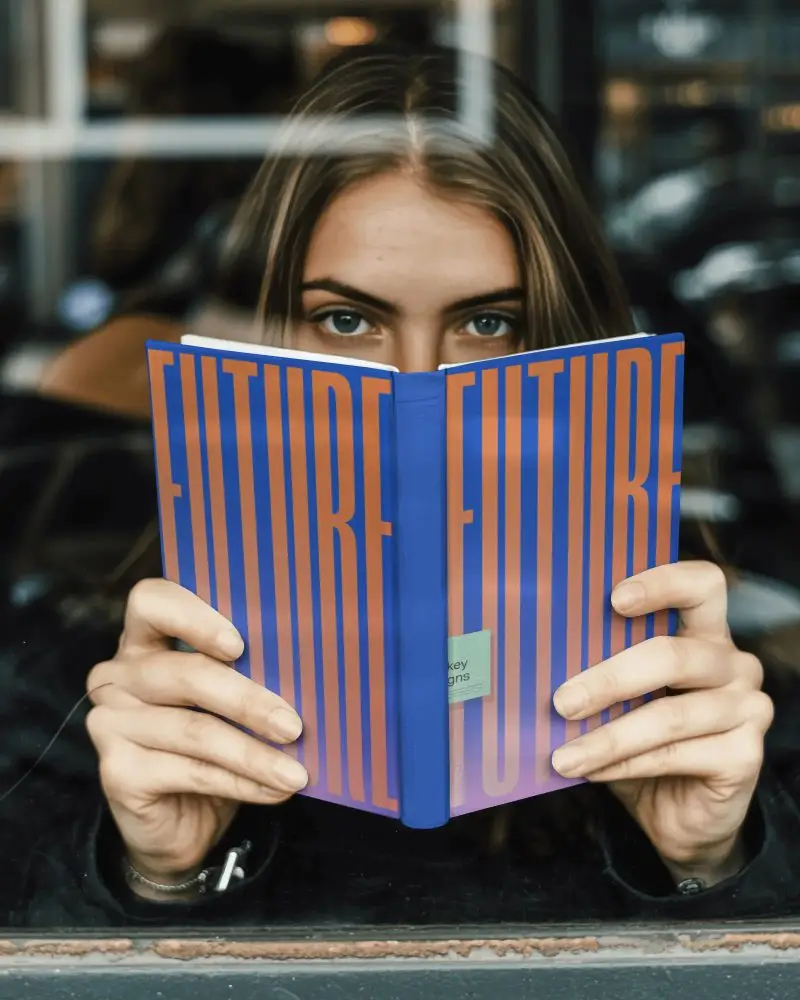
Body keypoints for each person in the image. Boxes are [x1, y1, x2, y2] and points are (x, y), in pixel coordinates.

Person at [15, 45, 800, 928]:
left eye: (488, 323)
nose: (416, 386)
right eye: (347, 321)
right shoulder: (110, 655)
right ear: (263, 336)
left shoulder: (702, 660)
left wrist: (711, 862)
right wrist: (157, 873)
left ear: (567, 344)